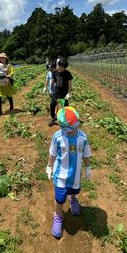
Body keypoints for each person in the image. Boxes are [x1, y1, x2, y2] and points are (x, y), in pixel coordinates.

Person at [46, 106, 91, 239]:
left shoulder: (82, 137)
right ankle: (58, 216)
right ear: (62, 127)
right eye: (69, 130)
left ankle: (73, 199)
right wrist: (49, 166)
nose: (72, 132)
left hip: (75, 174)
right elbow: (52, 154)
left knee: (74, 190)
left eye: (74, 128)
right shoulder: (58, 137)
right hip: (61, 175)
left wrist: (88, 167)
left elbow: (86, 154)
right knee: (60, 198)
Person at [48, 58, 73, 126]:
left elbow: (69, 83)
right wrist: (51, 89)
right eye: (59, 66)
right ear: (58, 65)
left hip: (64, 92)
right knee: (52, 104)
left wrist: (69, 93)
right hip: (56, 90)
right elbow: (53, 81)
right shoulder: (55, 72)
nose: (60, 68)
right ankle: (53, 118)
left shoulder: (67, 73)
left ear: (65, 67)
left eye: (62, 67)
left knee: (64, 106)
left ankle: (66, 119)